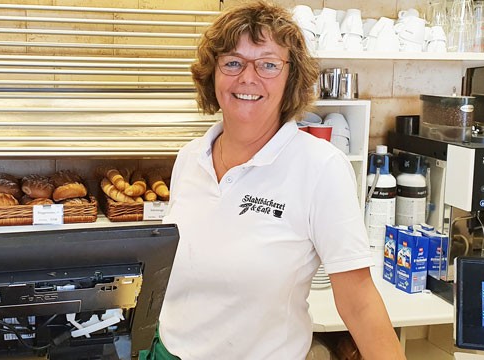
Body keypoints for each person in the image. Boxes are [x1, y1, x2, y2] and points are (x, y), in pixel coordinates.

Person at [153, 1, 406, 359]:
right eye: (233, 62)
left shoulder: (320, 167)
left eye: (268, 64)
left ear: (291, 80)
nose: (248, 78)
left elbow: (359, 300)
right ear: (213, 74)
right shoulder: (190, 157)